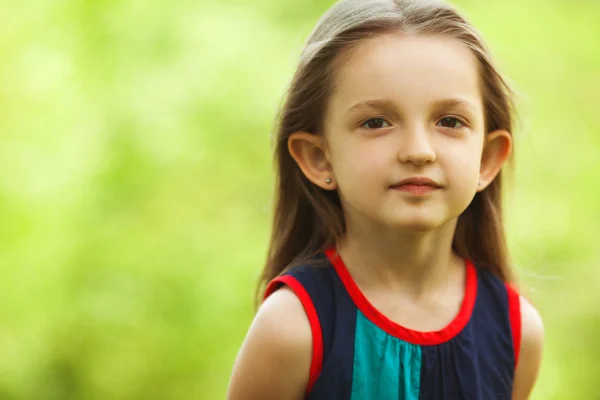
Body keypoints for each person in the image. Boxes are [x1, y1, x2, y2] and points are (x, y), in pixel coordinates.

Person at [228, 0, 544, 398]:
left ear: (487, 157)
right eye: (376, 122)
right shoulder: (291, 329)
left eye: (449, 121)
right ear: (318, 157)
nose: (418, 150)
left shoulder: (517, 332)